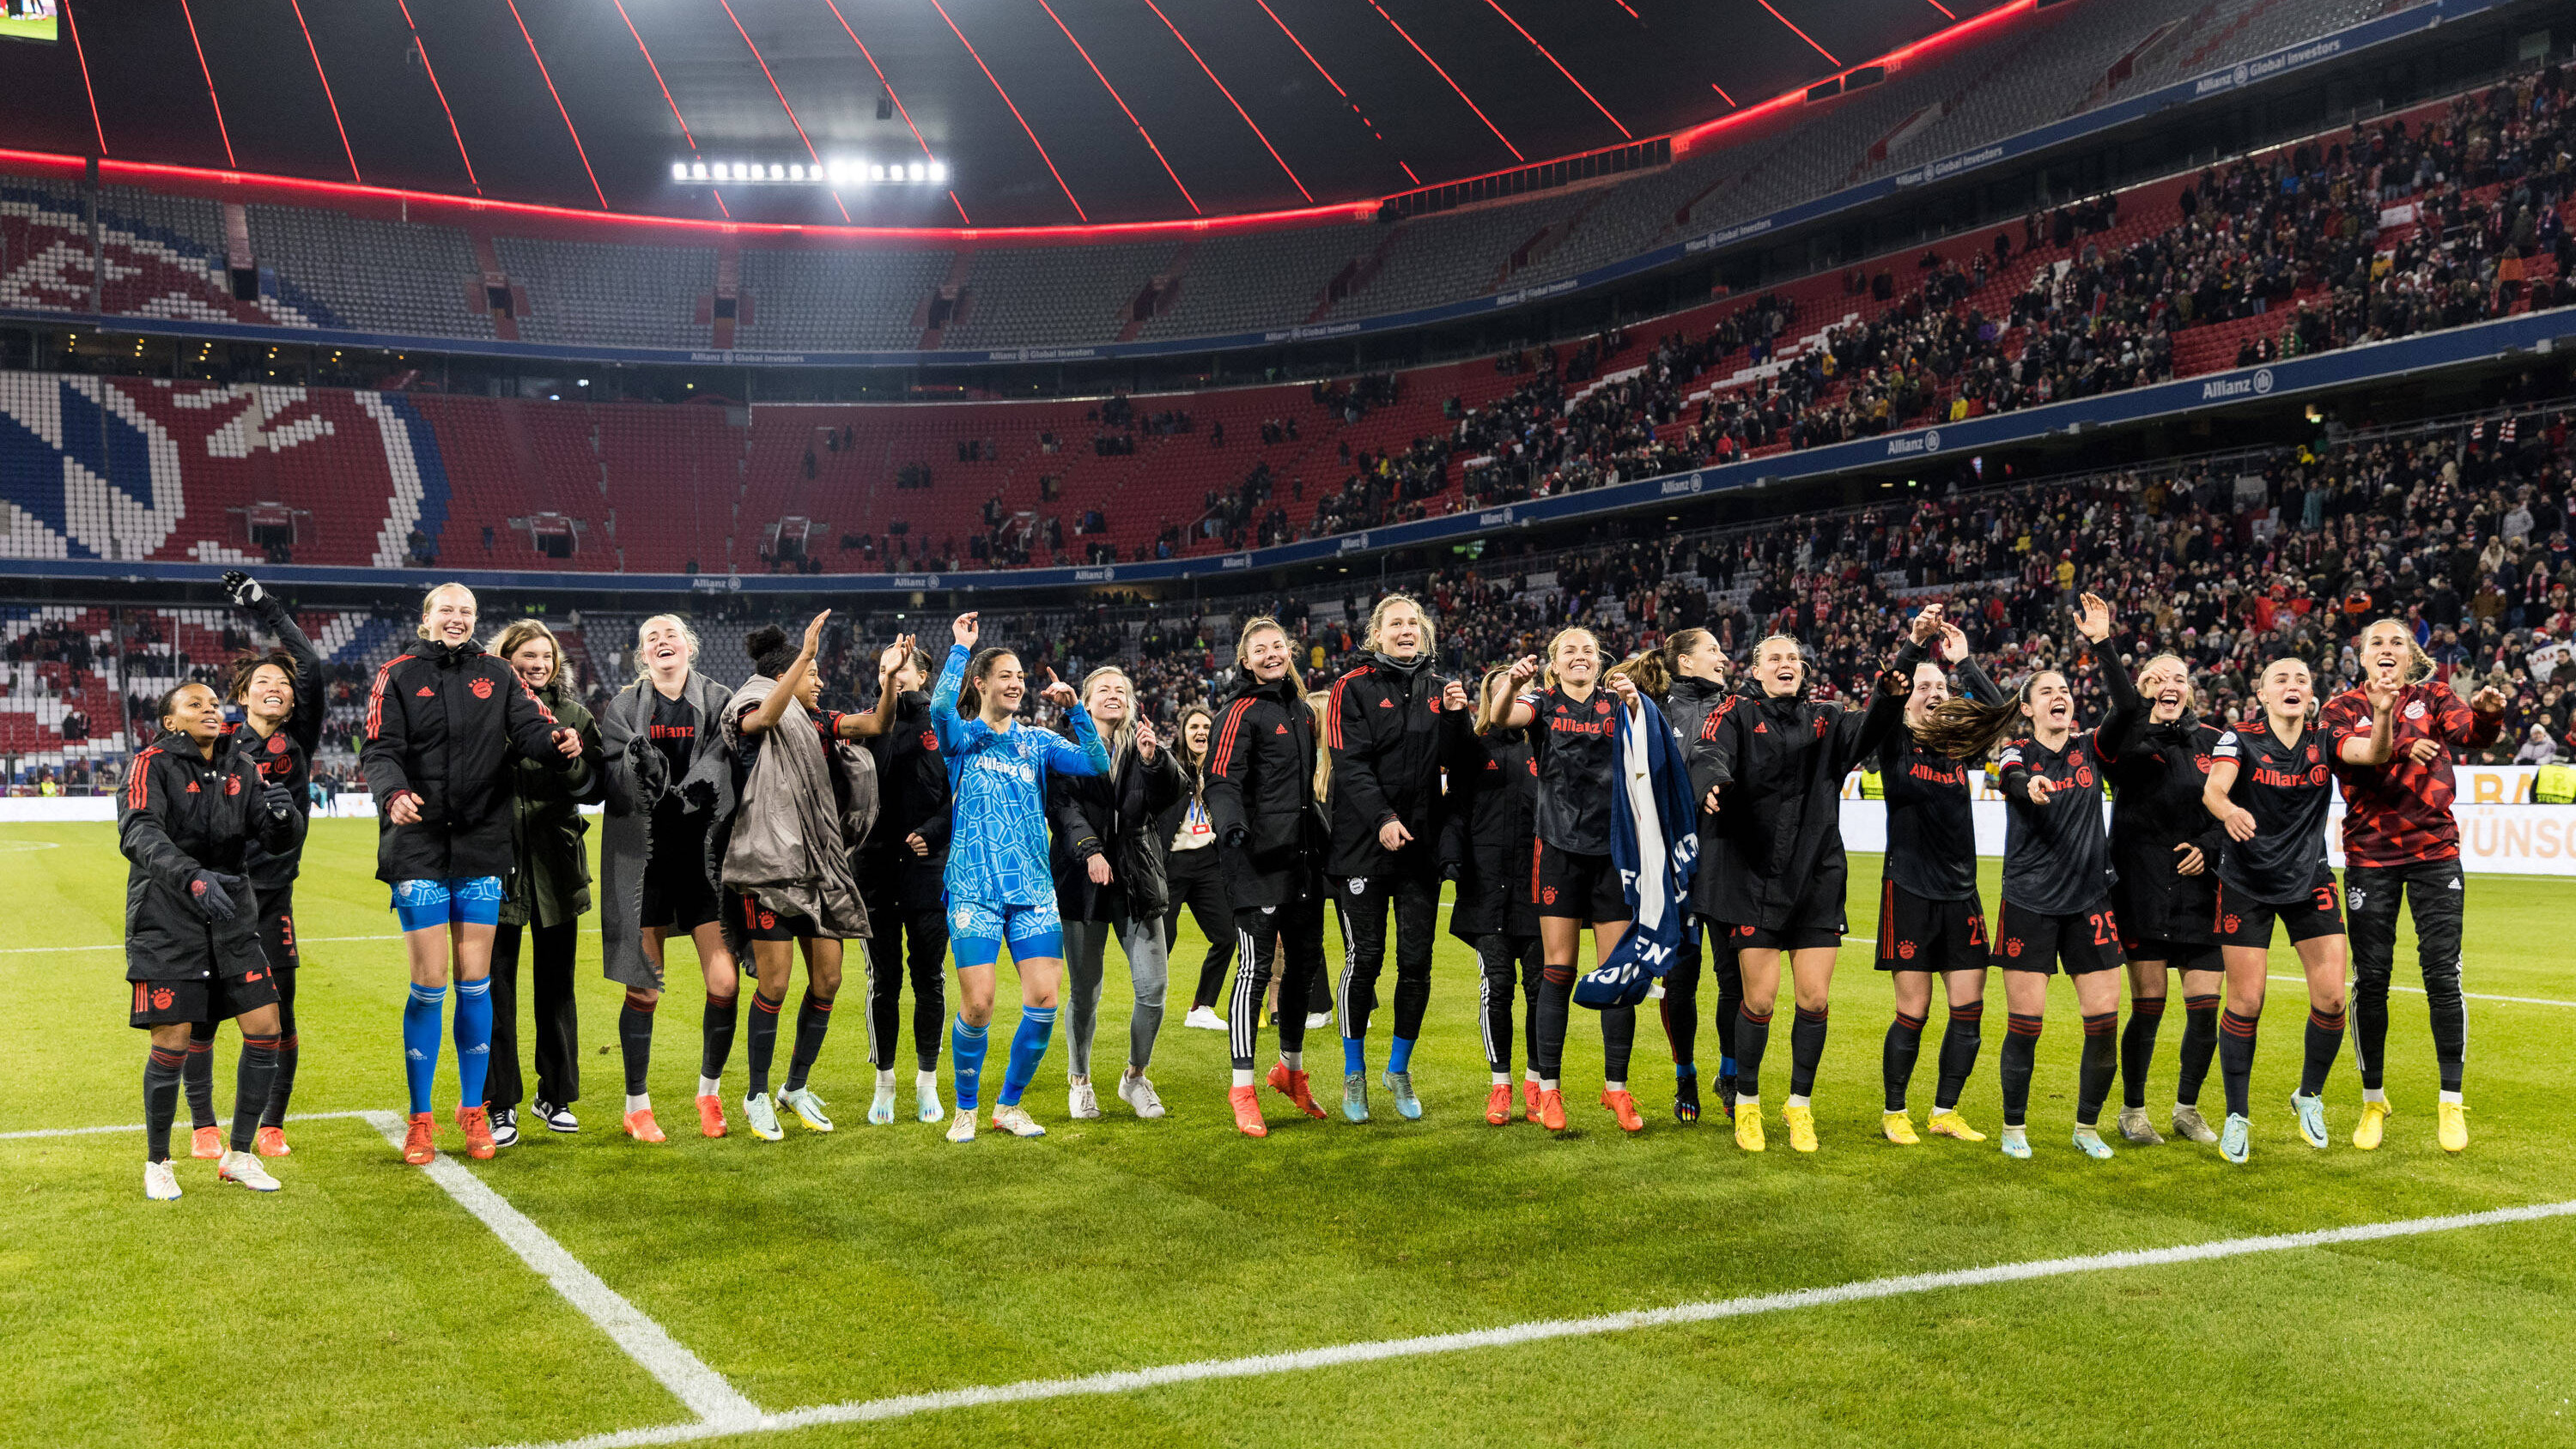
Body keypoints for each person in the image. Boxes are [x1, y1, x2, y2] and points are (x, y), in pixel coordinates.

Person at [362, 584, 586, 1165]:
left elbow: (533, 728)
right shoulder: (398, 674)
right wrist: (393, 795)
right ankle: (420, 1119)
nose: (457, 619)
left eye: (466, 611)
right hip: (417, 845)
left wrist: (560, 742)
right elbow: (378, 749)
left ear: (475, 620)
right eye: (447, 610)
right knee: (430, 983)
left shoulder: (498, 672)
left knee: (475, 982)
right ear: (427, 618)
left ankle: (473, 1112)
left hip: (482, 845)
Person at [1917, 595, 2124, 1161]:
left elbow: (2127, 707)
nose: (2060, 697)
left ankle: (2087, 1128)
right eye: (2046, 692)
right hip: (2030, 903)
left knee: (2104, 1023)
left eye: (2065, 690)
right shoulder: (2015, 752)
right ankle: (2014, 1128)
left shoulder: (2092, 750)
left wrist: (2103, 645)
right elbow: (2009, 775)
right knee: (2025, 1025)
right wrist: (2025, 786)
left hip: (2090, 903)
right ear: (2027, 710)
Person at [1692, 632, 1908, 1152]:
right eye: (1775, 658)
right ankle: (1747, 1104)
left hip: (1815, 874)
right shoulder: (1735, 711)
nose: (1786, 664)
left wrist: (1890, 692)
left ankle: (1799, 1106)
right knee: (1760, 1000)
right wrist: (1714, 782)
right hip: (1751, 874)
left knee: (1814, 999)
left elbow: (1871, 727)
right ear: (1757, 669)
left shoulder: (1828, 719)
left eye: (1794, 658)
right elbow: (1707, 749)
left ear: (1803, 670)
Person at [715, 614, 902, 1141]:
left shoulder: (818, 722)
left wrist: (889, 680)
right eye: (811, 672)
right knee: (774, 984)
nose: (819, 680)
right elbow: (762, 721)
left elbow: (876, 725)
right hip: (771, 868)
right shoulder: (754, 706)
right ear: (785, 677)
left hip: (820, 868)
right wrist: (803, 654)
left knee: (829, 979)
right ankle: (755, 1094)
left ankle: (793, 1087)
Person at [2322, 619, 2506, 1153]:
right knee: (2371, 979)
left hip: (2434, 852)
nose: (2386, 649)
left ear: (2410, 655)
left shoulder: (2435, 696)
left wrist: (2491, 715)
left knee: (2442, 974)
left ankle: (2451, 1102)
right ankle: (2373, 1100)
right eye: (2376, 642)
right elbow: (2363, 754)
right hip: (2370, 856)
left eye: (2396, 642)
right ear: (2361, 656)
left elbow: (2472, 734)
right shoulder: (2340, 710)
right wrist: (2403, 744)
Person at [2202, 658, 2392, 1163]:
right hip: (2246, 882)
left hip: (2310, 879)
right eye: (2280, 679)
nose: (2292, 686)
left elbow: (2373, 752)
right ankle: (2236, 1116)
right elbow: (2214, 789)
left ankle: (2309, 1095)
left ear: (2311, 695)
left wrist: (2383, 713)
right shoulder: (2238, 736)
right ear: (2261, 694)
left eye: (2301, 680)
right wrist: (2230, 810)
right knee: (2247, 1002)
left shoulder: (2325, 736)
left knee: (2332, 999)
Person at [928, 612, 1109, 1143]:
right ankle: (965, 1108)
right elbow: (940, 706)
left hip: (1031, 888)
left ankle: (1008, 1106)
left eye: (1021, 679)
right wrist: (961, 649)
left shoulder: (1037, 743)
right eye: (1005, 676)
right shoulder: (964, 739)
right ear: (982, 684)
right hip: (974, 889)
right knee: (979, 1003)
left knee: (1045, 1000)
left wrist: (1075, 710)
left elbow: (1097, 763)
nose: (1016, 684)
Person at [125, 681, 298, 1198]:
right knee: (172, 1037)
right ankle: (158, 1162)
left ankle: (240, 1155)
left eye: (213, 703)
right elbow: (138, 831)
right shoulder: (150, 764)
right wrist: (192, 877)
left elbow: (266, 838)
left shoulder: (241, 767)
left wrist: (283, 820)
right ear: (171, 720)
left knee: (266, 1025)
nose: (209, 709)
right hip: (168, 919)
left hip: (229, 916)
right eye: (194, 704)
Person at [179, 570, 321, 1161]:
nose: (276, 687)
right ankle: (204, 1124)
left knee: (280, 1013)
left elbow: (310, 663)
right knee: (205, 1014)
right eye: (263, 680)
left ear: (291, 702)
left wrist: (266, 608)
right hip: (218, 898)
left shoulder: (299, 744)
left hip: (273, 900)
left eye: (282, 685)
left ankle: (272, 1123)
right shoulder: (221, 741)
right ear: (242, 696)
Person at [1492, 627, 1652, 1133]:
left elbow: (1653, 748)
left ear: (1599, 661)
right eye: (1569, 652)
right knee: (1557, 971)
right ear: (1554, 665)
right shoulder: (1540, 701)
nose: (1579, 657)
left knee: (1616, 974)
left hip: (1613, 854)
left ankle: (1617, 1090)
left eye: (1588, 651)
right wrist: (1509, 686)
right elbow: (1501, 719)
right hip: (1558, 848)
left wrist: (1637, 705)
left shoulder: (1618, 700)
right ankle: (1550, 1091)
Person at [1321, 594, 1469, 1122]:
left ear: (1425, 634)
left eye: (1414, 624)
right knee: (1365, 960)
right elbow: (1350, 763)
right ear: (1376, 635)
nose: (1406, 631)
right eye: (1396, 624)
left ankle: (1398, 1069)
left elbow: (1459, 765)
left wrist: (1457, 720)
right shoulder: (1350, 687)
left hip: (1419, 852)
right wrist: (1382, 818)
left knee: (1416, 965)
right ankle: (1354, 1073)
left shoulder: (1439, 691)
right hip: (1362, 847)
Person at [596, 615, 741, 1143]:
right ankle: (637, 1105)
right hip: (646, 862)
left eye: (671, 635)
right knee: (645, 987)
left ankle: (709, 1092)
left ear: (689, 648)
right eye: (651, 638)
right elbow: (610, 775)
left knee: (724, 981)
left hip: (704, 861)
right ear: (642, 655)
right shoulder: (622, 707)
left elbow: (736, 759)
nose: (662, 642)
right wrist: (637, 770)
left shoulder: (721, 699)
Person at [1869, 608, 1996, 1146]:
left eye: (1941, 686)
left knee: (1969, 1010)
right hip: (1910, 890)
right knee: (1913, 1011)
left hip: (1961, 893)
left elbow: (1995, 713)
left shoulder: (1957, 746)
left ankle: (1945, 1110)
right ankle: (1895, 1111)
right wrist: (1915, 650)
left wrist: (1963, 664)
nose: (1935, 692)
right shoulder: (1892, 742)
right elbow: (1888, 693)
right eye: (1925, 686)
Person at [1204, 615, 1333, 1137]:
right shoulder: (1239, 711)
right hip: (1255, 860)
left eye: (1277, 645)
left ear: (1289, 652)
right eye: (1260, 649)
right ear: (1245, 659)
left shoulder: (1301, 712)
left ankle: (1291, 1072)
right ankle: (1242, 1088)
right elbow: (1220, 778)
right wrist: (1233, 827)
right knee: (1255, 972)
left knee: (1303, 968)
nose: (1271, 654)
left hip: (1302, 860)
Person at [2099, 650, 2228, 1145]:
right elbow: (2112, 743)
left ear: (2190, 690)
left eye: (2179, 678)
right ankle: (2133, 1112)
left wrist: (2210, 848)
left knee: (2204, 1008)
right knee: (2148, 1006)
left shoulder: (2216, 743)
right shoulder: (2128, 739)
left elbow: (2233, 807)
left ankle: (2187, 1109)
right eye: (2158, 679)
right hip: (2142, 890)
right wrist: (2136, 700)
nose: (2169, 685)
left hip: (2200, 892)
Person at [484, 620, 602, 1148]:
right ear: (504, 659)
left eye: (545, 656)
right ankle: (500, 1104)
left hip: (556, 864)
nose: (537, 664)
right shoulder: (483, 713)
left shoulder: (576, 715)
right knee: (493, 991)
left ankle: (555, 1096)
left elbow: (596, 785)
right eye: (525, 656)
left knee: (557, 987)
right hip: (495, 865)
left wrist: (576, 762)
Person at [1050, 667, 1182, 1120]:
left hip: (1136, 879)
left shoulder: (1144, 745)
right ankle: (1080, 1079)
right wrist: (1089, 849)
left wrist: (1154, 760)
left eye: (1121, 690)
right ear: (1085, 703)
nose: (1113, 695)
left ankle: (1135, 1077)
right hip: (1080, 882)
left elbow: (1172, 793)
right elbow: (1063, 807)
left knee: (1154, 988)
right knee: (1085, 992)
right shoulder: (1064, 748)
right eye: (1103, 690)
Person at [858, 642, 951, 1127]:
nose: (889, 674)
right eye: (881, 669)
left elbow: (956, 798)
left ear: (922, 674)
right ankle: (885, 1083)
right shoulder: (868, 726)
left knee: (928, 980)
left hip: (928, 871)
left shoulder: (941, 724)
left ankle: (927, 1082)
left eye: (898, 668)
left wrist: (931, 834)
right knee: (883, 984)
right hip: (875, 874)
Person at [1446, 664, 1544, 1126]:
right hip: (1485, 888)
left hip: (1538, 888)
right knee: (1497, 988)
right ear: (1488, 698)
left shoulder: (1543, 748)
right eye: (1502, 688)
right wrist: (1451, 861)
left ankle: (1536, 1081)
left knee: (1542, 989)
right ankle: (1500, 1084)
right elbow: (1455, 812)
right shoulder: (1472, 751)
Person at [1651, 628, 1739, 1125]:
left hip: (1729, 863)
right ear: (1685, 662)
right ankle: (1684, 1072)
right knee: (1681, 984)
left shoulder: (1740, 709)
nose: (1722, 657)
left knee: (1735, 982)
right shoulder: (1658, 714)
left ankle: (1729, 1074)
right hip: (1676, 868)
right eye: (1713, 650)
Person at [1162, 706, 1236, 1032]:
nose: (1201, 731)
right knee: (1163, 938)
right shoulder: (1169, 767)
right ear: (1183, 732)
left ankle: (1202, 1007)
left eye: (1207, 726)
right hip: (1172, 862)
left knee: (1226, 936)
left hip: (1207, 861)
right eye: (1194, 726)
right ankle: (1149, 1002)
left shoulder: (1222, 770)